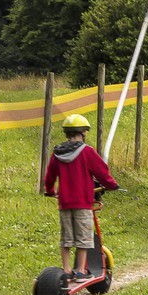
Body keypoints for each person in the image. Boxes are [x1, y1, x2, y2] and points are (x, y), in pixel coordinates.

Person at [41, 113, 120, 279]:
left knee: (66, 238)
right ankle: (80, 270)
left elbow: (49, 176)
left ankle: (66, 269)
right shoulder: (87, 152)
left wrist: (49, 190)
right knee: (84, 237)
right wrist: (111, 185)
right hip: (83, 203)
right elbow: (101, 172)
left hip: (64, 203)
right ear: (83, 132)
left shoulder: (57, 153)